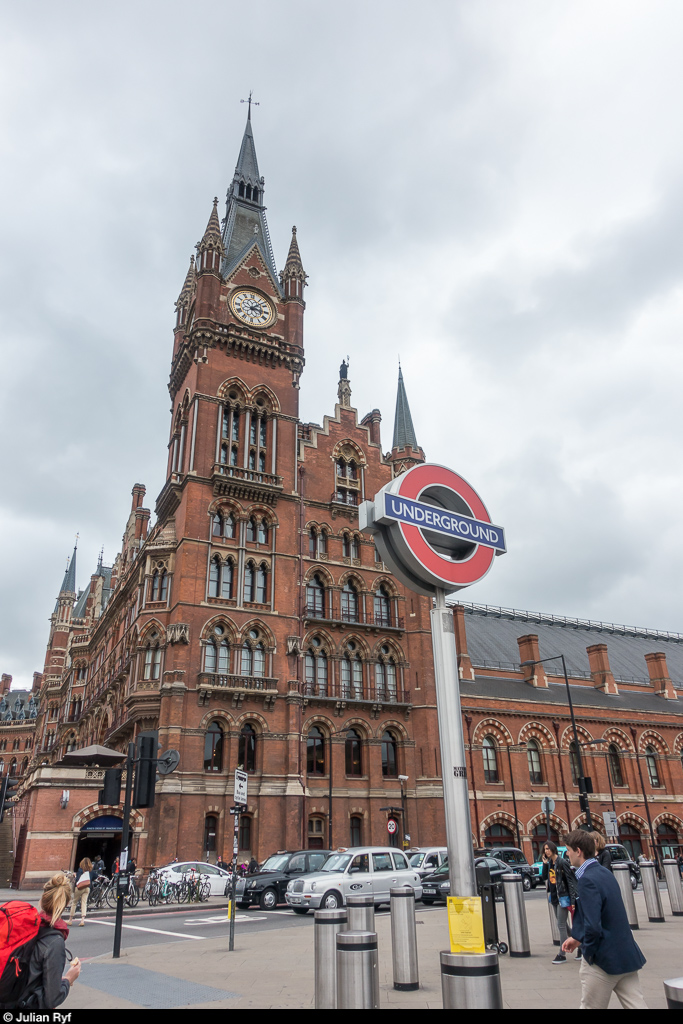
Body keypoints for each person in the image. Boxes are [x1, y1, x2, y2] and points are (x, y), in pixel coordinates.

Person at [562, 829, 647, 1009]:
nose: (567, 854)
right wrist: (578, 938)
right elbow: (609, 914)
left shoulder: (587, 880)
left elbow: (593, 926)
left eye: (568, 849)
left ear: (578, 851)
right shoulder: (604, 873)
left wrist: (589, 954)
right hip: (626, 955)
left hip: (603, 960)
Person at [21, 873, 81, 1009]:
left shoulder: (29, 925)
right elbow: (52, 999)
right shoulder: (54, 942)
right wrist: (68, 979)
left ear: (43, 899)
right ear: (66, 903)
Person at [541, 841, 577, 965]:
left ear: (553, 849)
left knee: (561, 924)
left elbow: (570, 881)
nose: (546, 851)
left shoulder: (562, 862)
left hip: (563, 896)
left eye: (548, 849)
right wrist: (544, 864)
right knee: (564, 925)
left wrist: (572, 900)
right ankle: (581, 944)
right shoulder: (550, 863)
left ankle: (562, 954)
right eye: (545, 849)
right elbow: (544, 877)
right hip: (554, 897)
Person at [67, 857, 94, 927]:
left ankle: (70, 920)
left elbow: (78, 879)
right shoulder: (91, 871)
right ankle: (82, 920)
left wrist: (75, 875)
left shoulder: (80, 870)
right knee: (84, 903)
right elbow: (95, 876)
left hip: (79, 888)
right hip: (87, 888)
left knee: (74, 903)